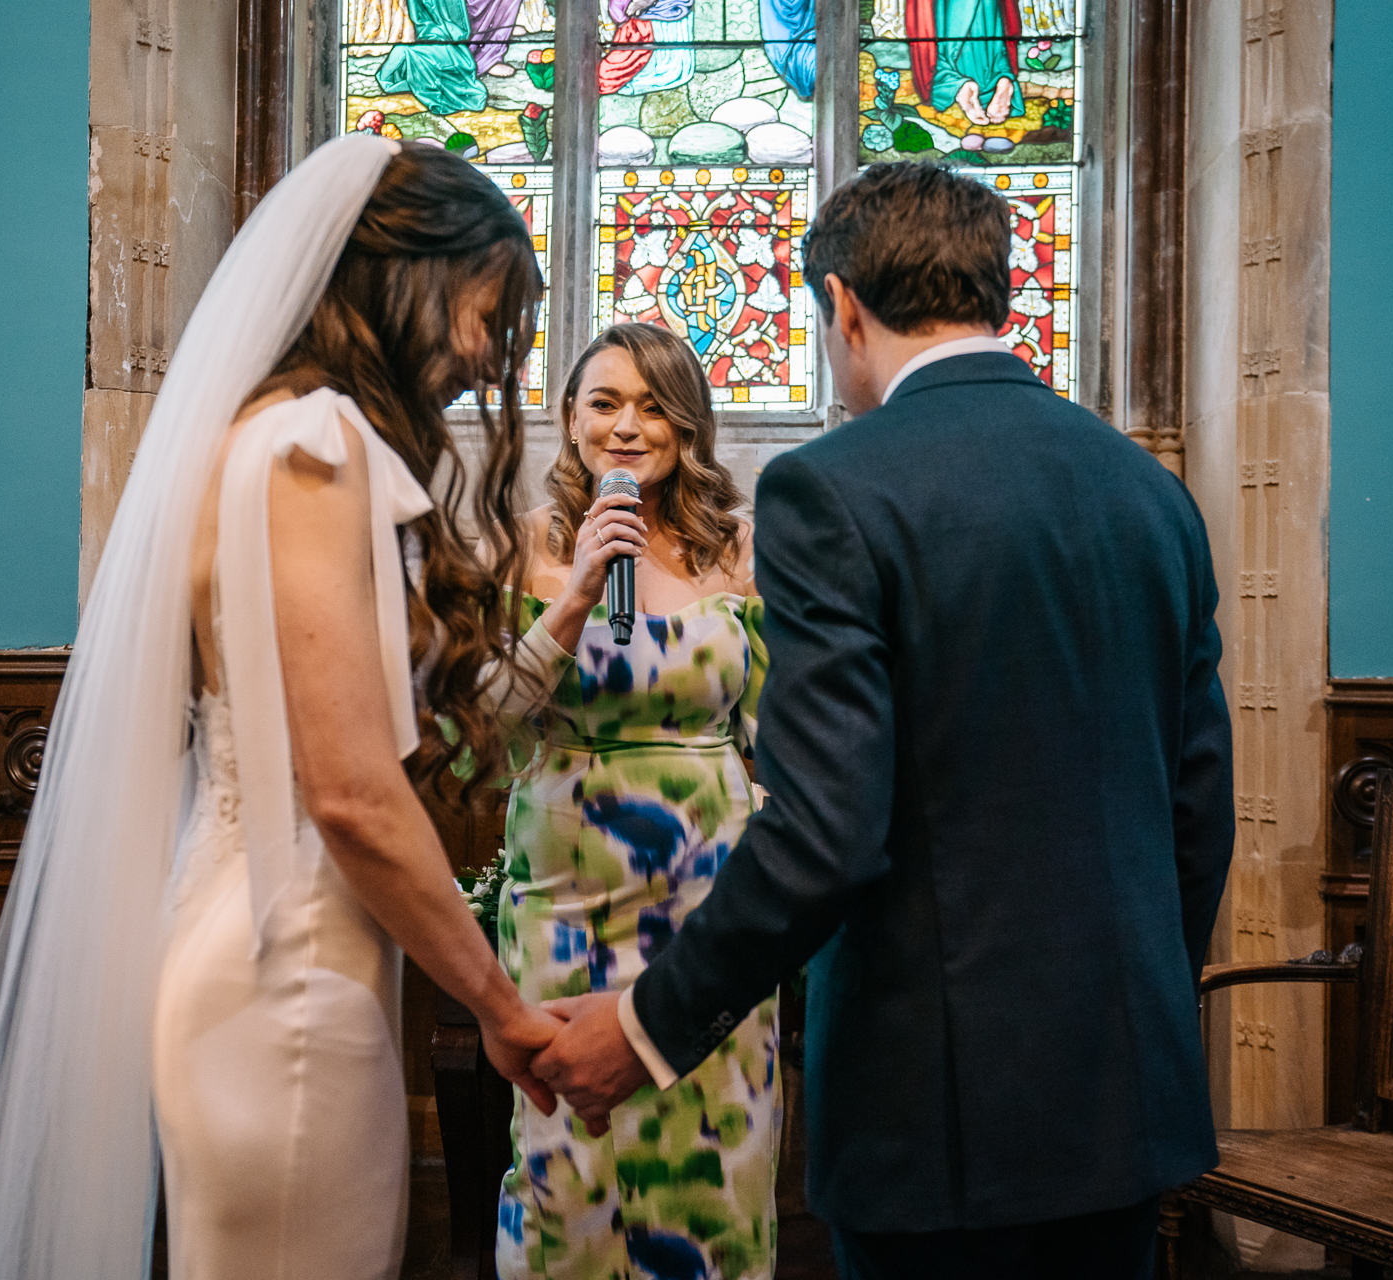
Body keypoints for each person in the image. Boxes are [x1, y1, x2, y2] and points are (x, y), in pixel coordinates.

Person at [529, 163, 1236, 1280]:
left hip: (935, 1113)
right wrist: (1133, 998)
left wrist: (651, 1022)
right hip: (1126, 1095)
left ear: (845, 305)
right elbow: (1202, 811)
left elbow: (829, 832)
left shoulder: (835, 489)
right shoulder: (1148, 493)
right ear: (998, 289)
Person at [0, 137, 561, 1280]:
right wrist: (498, 1001)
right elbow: (350, 792)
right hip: (286, 974)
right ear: (408, 277)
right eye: (483, 312)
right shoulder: (311, 448)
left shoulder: (267, 437)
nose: (481, 358)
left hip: (273, 954)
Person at [487, 323, 778, 1280]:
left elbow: (767, 724)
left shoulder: (732, 548)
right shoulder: (520, 546)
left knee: (713, 1176)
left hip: (710, 912)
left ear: (686, 426)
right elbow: (481, 729)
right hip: (566, 910)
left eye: (653, 405)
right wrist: (571, 598)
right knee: (567, 1178)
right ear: (569, 420)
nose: (626, 426)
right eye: (605, 403)